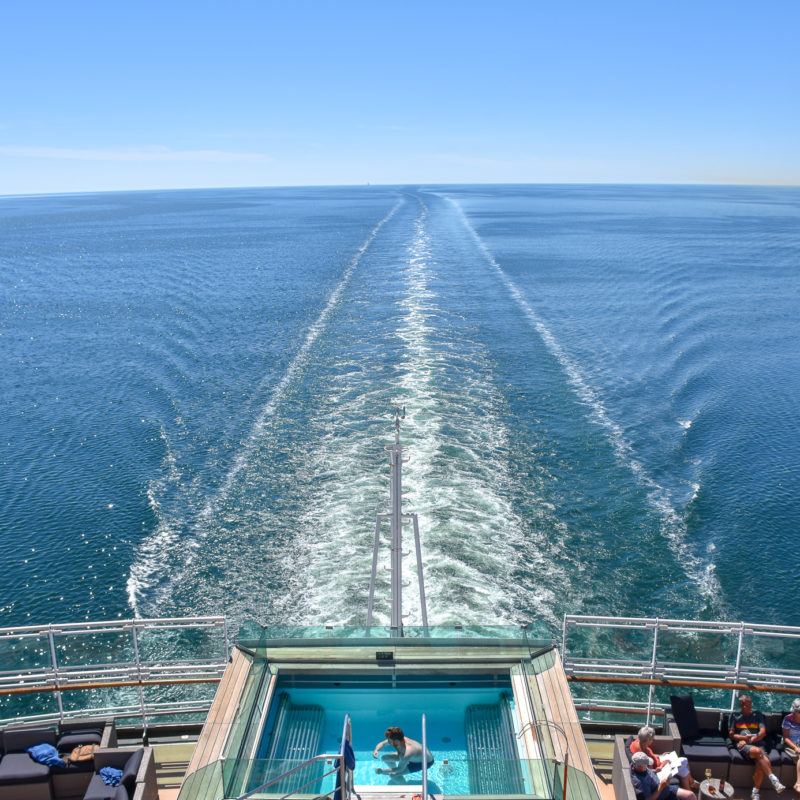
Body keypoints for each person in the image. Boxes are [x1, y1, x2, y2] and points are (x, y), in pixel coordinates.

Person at [729, 693, 785, 798]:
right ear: (741, 705)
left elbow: (762, 732)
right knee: (758, 752)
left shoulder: (757, 714)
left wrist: (751, 739)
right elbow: (731, 735)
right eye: (747, 705)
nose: (750, 706)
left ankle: (755, 792)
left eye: (751, 704)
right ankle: (774, 779)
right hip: (743, 744)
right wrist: (743, 738)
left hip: (756, 742)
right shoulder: (735, 716)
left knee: (760, 765)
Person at [631, 725, 700, 792]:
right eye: (652, 739)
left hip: (660, 761)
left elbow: (651, 755)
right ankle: (691, 784)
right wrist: (663, 764)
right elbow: (647, 769)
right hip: (660, 771)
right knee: (683, 766)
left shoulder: (638, 742)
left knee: (684, 762)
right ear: (647, 740)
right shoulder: (641, 754)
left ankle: (691, 785)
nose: (653, 740)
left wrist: (660, 755)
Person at [630, 751, 696, 800]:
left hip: (663, 785)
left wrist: (655, 770)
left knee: (690, 795)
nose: (647, 766)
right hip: (661, 793)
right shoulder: (641, 782)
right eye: (645, 765)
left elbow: (645, 770)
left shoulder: (634, 765)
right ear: (639, 766)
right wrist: (661, 786)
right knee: (690, 796)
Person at [781, 697, 800, 793]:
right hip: (791, 744)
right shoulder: (787, 719)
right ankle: (798, 783)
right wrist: (795, 747)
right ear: (794, 711)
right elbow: (786, 738)